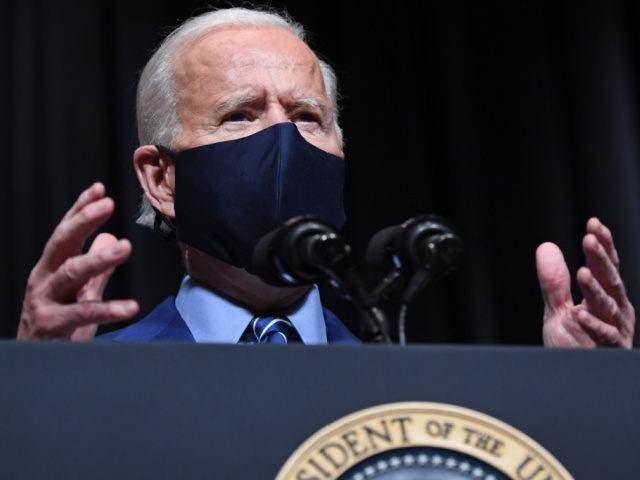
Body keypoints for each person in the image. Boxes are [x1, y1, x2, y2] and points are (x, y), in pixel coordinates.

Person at [16, 6, 635, 348]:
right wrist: (41, 404)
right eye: (240, 115)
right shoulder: (98, 375)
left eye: (308, 117)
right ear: (162, 179)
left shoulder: (412, 386)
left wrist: (589, 396)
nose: (284, 142)